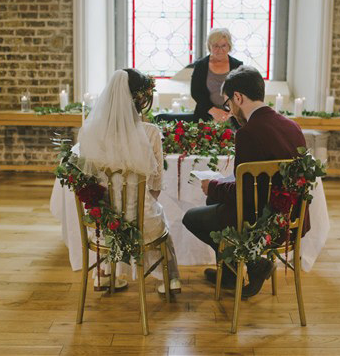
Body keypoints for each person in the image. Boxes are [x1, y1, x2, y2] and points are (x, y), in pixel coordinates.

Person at [182, 65, 310, 298]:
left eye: (228, 104)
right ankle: (232, 273)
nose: (229, 110)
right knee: (213, 199)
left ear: (238, 97)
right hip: (290, 217)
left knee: (191, 217)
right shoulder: (291, 125)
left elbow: (246, 195)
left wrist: (212, 185)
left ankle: (252, 265)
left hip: (261, 220)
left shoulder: (249, 132)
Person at [76, 68, 181, 294]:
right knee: (155, 214)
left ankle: (105, 275)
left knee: (112, 214)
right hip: (143, 220)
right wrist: (136, 207)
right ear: (140, 98)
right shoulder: (151, 132)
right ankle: (169, 279)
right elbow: (155, 186)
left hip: (106, 220)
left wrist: (116, 209)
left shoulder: (90, 131)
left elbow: (87, 182)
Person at [156, 28, 243, 124]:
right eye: (215, 46)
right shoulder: (201, 65)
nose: (220, 50)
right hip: (205, 116)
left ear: (229, 46)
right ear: (209, 46)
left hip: (233, 117)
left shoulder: (237, 66)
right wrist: (214, 111)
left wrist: (231, 113)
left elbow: (241, 93)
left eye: (223, 45)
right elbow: (196, 92)